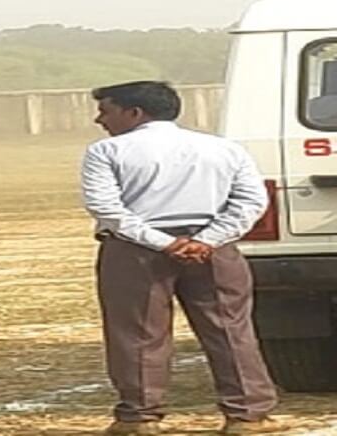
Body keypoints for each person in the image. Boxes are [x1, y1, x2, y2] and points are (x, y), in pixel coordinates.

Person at [81, 81, 278, 436]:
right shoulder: (225, 149)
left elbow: (106, 208)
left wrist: (163, 243)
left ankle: (140, 417)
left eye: (105, 110)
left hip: (136, 250)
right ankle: (248, 415)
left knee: (138, 334)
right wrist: (207, 240)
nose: (99, 119)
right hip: (213, 249)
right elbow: (251, 202)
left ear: (134, 112)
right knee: (230, 329)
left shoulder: (107, 151)